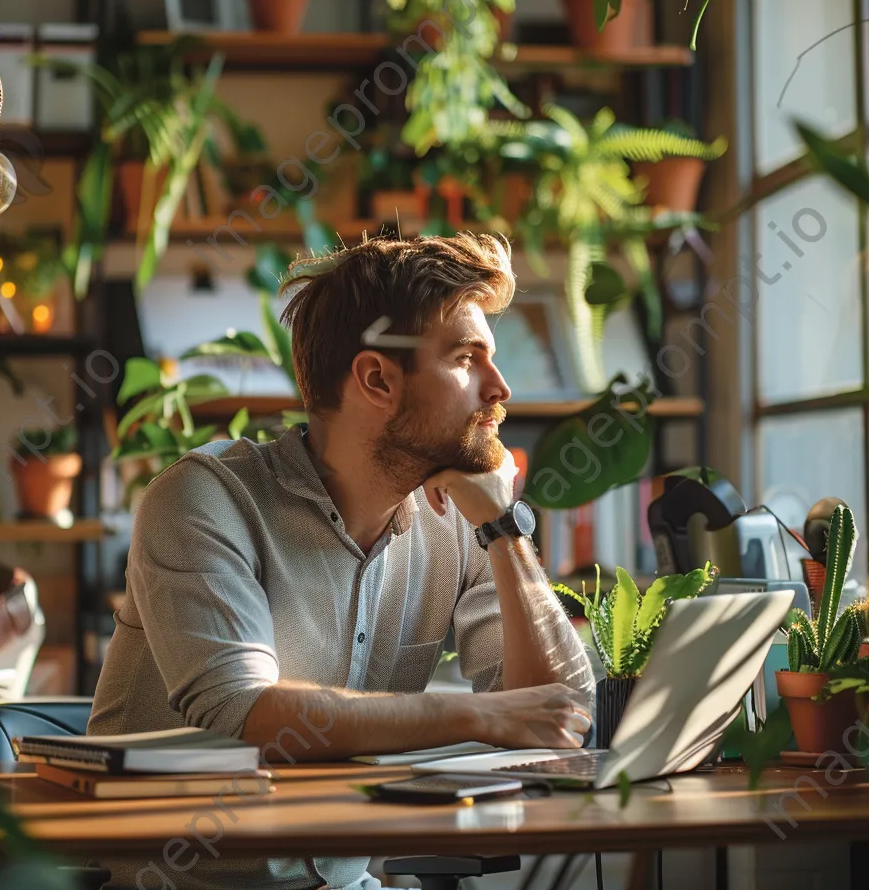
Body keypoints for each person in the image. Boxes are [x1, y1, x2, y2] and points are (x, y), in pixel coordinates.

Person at [89, 232, 595, 890]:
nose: (499, 389)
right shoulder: (205, 499)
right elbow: (252, 714)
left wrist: (504, 528)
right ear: (377, 378)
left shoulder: (456, 524)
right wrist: (482, 715)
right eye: (468, 360)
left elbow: (564, 717)